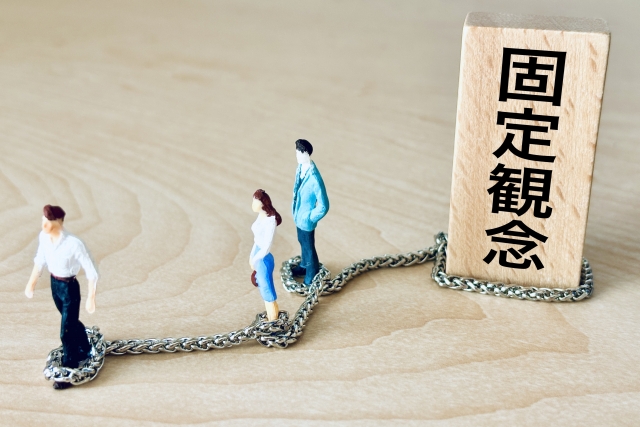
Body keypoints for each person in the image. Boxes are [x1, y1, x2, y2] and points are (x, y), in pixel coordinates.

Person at [24, 205, 98, 390]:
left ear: (59, 222)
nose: (44, 224)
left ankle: (68, 370)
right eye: (43, 220)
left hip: (69, 288)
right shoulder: (43, 238)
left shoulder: (74, 244)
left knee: (65, 332)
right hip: (55, 285)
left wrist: (91, 297)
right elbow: (40, 260)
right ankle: (84, 346)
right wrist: (31, 284)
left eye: (48, 221)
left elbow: (91, 272)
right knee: (71, 322)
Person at [291, 139, 329, 285]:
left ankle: (312, 274)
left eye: (299, 154)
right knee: (302, 242)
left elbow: (324, 206)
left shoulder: (314, 178)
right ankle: (304, 265)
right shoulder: (300, 168)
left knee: (308, 246)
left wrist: (309, 218)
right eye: (296, 153)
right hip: (298, 216)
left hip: (306, 220)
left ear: (307, 154)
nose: (297, 156)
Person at [250, 190, 282, 321]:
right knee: (262, 288)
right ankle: (271, 317)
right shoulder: (260, 216)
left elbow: (266, 247)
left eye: (255, 201)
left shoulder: (270, 221)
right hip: (257, 254)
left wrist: (255, 259)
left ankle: (273, 320)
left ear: (263, 203)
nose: (253, 204)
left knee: (266, 290)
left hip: (263, 258)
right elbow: (256, 240)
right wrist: (252, 256)